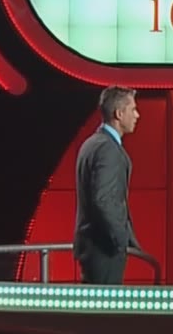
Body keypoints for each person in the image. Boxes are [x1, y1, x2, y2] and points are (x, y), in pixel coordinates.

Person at [74, 85, 143, 284]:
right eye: (133, 109)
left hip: (93, 248)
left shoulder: (91, 143)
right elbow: (103, 200)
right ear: (119, 114)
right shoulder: (108, 149)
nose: (137, 115)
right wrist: (120, 240)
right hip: (104, 250)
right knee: (104, 303)